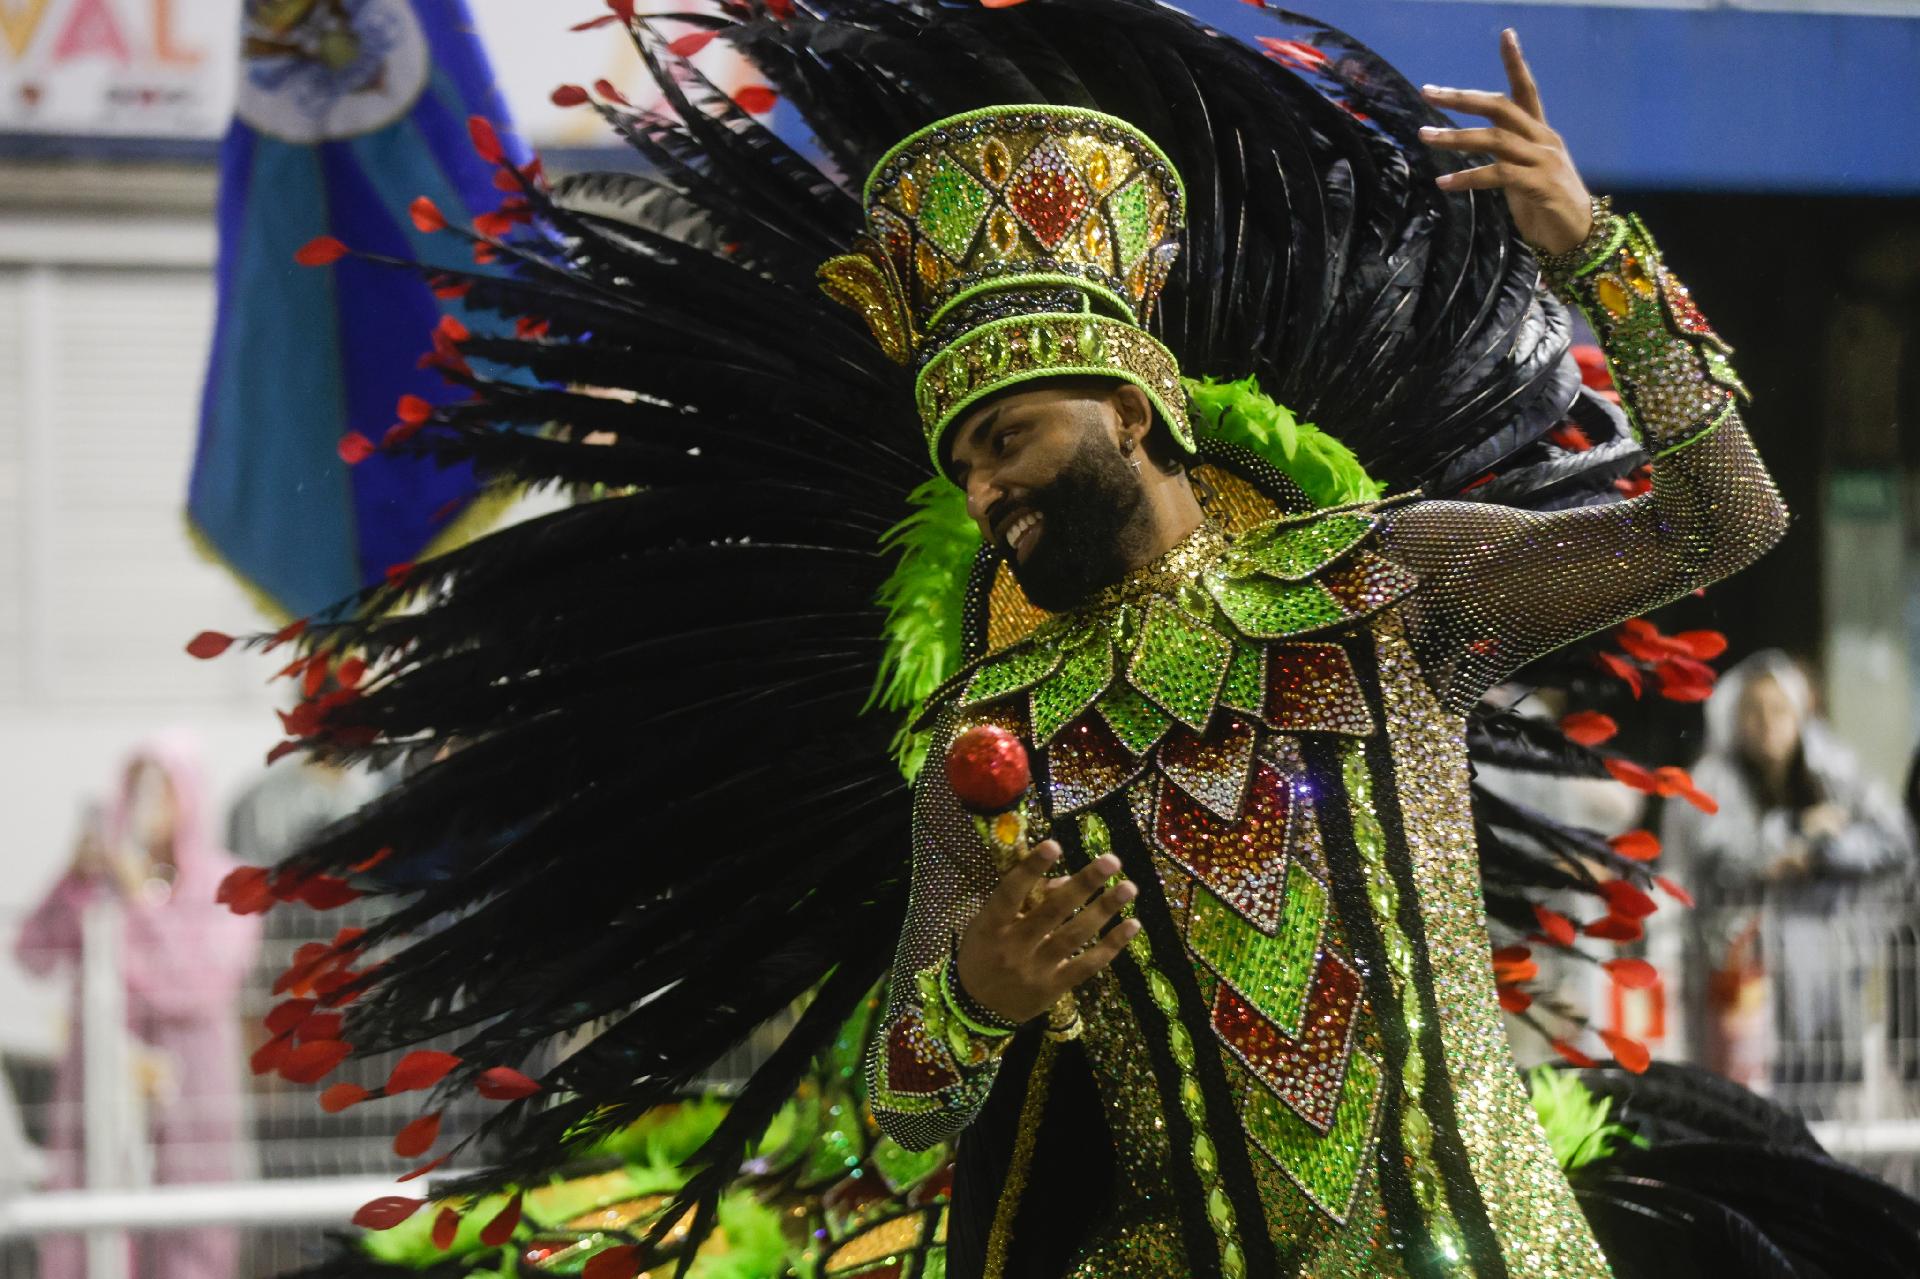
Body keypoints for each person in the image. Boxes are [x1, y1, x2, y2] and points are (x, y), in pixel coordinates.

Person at [191, 2, 1920, 1276]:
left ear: (1135, 406)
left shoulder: (1386, 583)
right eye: (963, 464)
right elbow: (902, 1112)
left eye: (1011, 438)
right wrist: (979, 992)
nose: (990, 487)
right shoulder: (992, 737)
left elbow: (1724, 522)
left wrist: (1599, 253)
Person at [15, 734, 262, 1279]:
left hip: (190, 1074)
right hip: (103, 1070)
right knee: (89, 1194)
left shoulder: (227, 883)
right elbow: (34, 954)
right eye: (137, 788)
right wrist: (73, 881)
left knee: (192, 1205)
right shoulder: (98, 882)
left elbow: (200, 984)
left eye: (162, 789)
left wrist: (141, 899)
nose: (149, 805)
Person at [1662, 651, 1915, 1095]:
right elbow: (1717, 851)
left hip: (1828, 969)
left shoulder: (1836, 773)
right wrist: (1791, 832)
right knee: (1741, 1091)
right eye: (1753, 710)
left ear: (1800, 715)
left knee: (1829, 1092)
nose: (1767, 723)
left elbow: (1893, 840)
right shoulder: (1710, 782)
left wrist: (1822, 853)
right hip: (1739, 975)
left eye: (1779, 710)